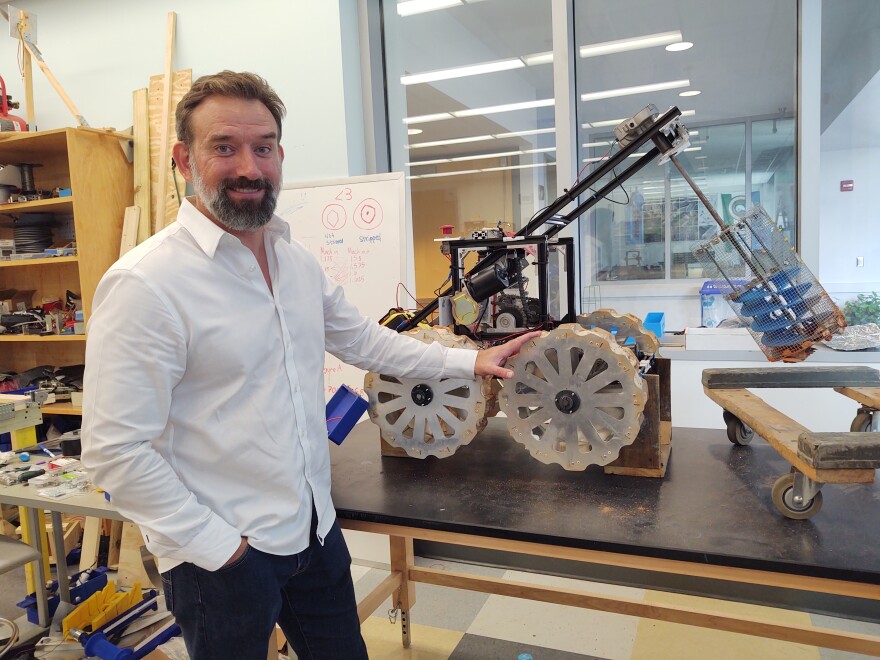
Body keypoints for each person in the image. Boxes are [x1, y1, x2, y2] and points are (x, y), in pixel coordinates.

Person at [81, 70, 538, 660]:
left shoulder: (293, 261)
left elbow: (367, 343)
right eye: (224, 147)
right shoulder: (146, 284)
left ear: (279, 154)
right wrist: (223, 549)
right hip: (220, 558)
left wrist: (469, 362)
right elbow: (114, 451)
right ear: (183, 159)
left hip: (314, 533)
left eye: (263, 147)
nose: (249, 166)